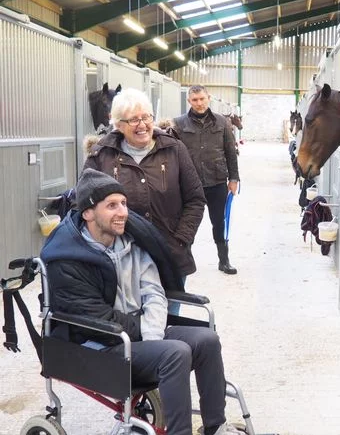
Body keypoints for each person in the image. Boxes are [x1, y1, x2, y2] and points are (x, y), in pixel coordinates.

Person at [40, 169, 242, 435]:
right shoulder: (66, 260)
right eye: (111, 205)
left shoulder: (131, 243)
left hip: (137, 334)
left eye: (123, 203)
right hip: (99, 345)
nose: (122, 212)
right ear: (87, 212)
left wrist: (154, 333)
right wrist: (153, 338)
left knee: (206, 340)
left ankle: (215, 427)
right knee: (175, 353)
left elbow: (154, 293)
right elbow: (97, 321)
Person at [83, 88, 205, 312]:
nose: (142, 125)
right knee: (127, 320)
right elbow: (84, 205)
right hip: (119, 257)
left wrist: (180, 241)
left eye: (146, 117)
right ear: (118, 125)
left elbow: (195, 199)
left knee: (168, 320)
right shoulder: (101, 155)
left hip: (168, 255)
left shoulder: (174, 149)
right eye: (133, 120)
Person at [173, 85, 240, 275]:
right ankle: (183, 261)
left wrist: (233, 178)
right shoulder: (179, 124)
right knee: (187, 223)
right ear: (189, 102)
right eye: (195, 100)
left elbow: (230, 152)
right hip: (189, 184)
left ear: (208, 98)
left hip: (217, 181)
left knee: (219, 222)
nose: (199, 103)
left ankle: (223, 260)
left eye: (202, 99)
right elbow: (172, 154)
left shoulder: (222, 122)